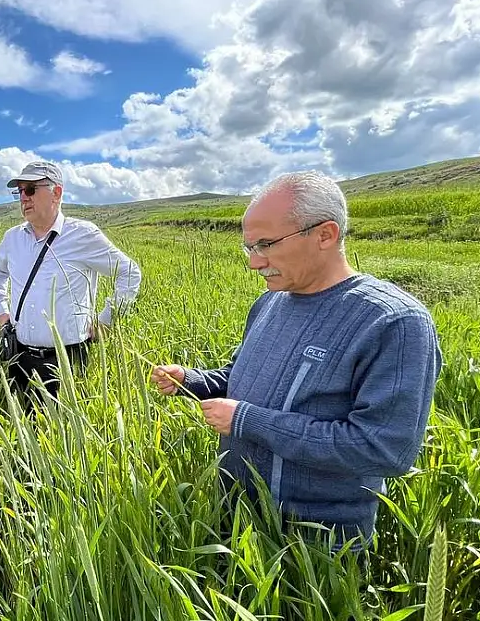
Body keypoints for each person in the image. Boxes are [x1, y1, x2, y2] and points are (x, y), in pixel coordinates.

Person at [152, 170, 442, 553]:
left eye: (266, 244)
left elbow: (384, 449)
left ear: (325, 235)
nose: (255, 263)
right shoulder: (270, 302)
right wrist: (192, 380)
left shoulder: (393, 323)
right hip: (236, 524)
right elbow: (240, 378)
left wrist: (245, 420)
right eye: (249, 247)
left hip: (316, 547)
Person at [0, 160, 142, 402]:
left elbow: (130, 273)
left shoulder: (83, 235)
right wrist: (2, 312)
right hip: (19, 357)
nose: (23, 198)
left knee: (64, 435)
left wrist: (106, 321)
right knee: (20, 427)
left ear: (56, 193)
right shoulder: (12, 238)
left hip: (67, 362)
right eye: (19, 191)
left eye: (30, 189)